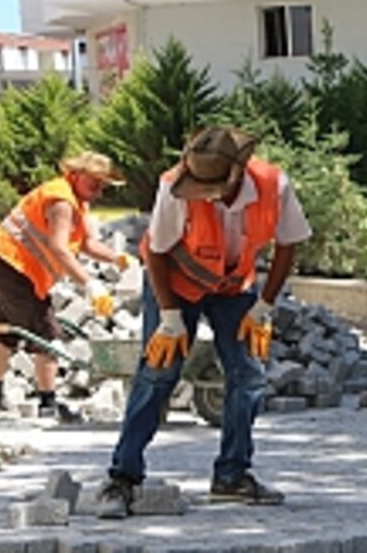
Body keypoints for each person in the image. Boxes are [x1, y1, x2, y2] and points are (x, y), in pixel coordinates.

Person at [95, 126, 311, 519]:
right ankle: (122, 478)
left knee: (248, 375)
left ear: (236, 175)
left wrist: (263, 305)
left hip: (232, 285)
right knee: (158, 373)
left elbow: (288, 244)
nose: (204, 193)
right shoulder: (173, 187)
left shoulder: (273, 185)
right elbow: (157, 252)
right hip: (175, 281)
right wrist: (170, 318)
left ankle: (232, 475)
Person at [0, 151, 129, 419]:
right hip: (12, 264)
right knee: (46, 331)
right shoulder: (61, 201)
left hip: (4, 262)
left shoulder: (76, 202)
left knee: (8, 328)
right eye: (94, 184)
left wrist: (116, 257)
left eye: (102, 187)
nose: (98, 192)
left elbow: (86, 243)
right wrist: (89, 283)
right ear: (75, 175)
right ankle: (48, 404)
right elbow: (59, 248)